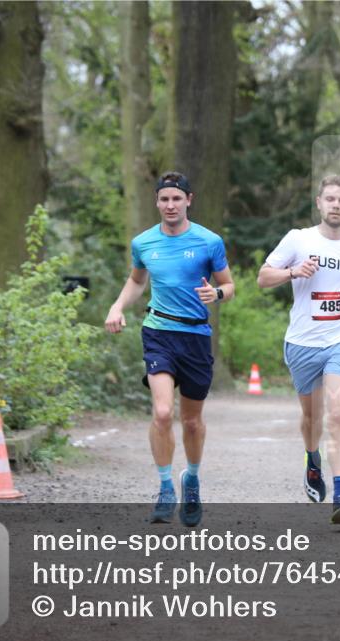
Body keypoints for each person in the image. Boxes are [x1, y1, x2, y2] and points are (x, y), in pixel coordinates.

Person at [105, 171, 234, 526]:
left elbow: (229, 285)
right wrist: (117, 307)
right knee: (163, 413)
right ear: (156, 202)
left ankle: (190, 479)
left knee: (191, 421)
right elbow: (136, 280)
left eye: (177, 198)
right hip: (158, 331)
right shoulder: (143, 243)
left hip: (195, 337)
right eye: (164, 199)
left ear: (189, 200)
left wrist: (217, 294)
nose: (170, 205)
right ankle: (165, 487)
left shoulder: (209, 241)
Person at [257, 174, 340, 524]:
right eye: (330, 199)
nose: (336, 205)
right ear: (319, 203)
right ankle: (312, 458)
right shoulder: (298, 240)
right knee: (311, 419)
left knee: (337, 414)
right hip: (301, 343)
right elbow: (263, 277)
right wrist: (293, 272)